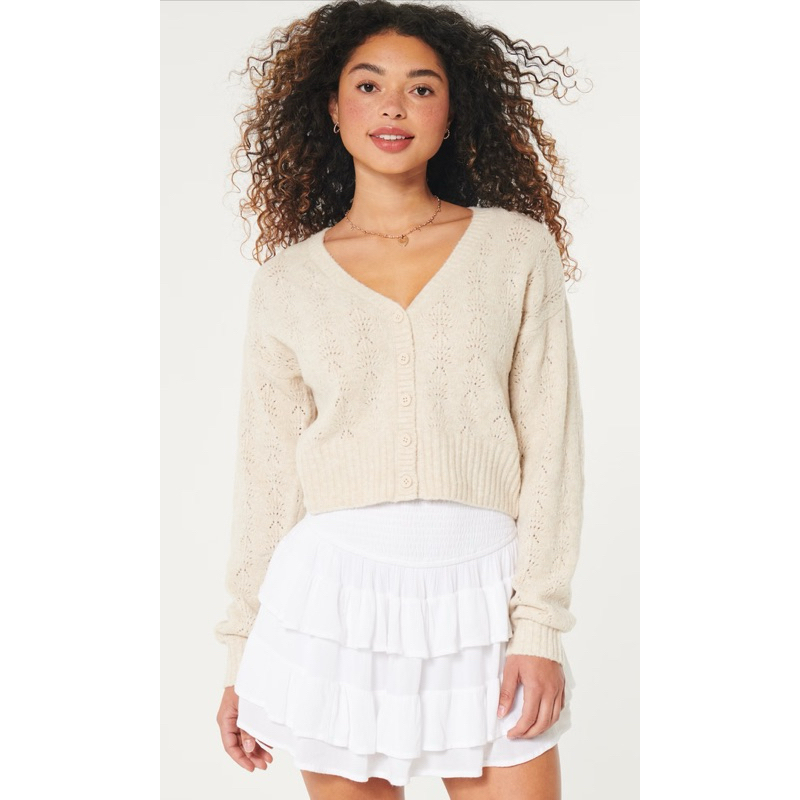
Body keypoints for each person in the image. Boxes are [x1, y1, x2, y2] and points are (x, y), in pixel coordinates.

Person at [214, 1, 587, 797]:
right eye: (368, 85)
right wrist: (244, 653)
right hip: (332, 607)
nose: (393, 107)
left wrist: (539, 626)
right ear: (333, 108)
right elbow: (267, 477)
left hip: (486, 600)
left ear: (451, 114)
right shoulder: (287, 282)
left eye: (421, 88)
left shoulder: (516, 250)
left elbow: (552, 445)